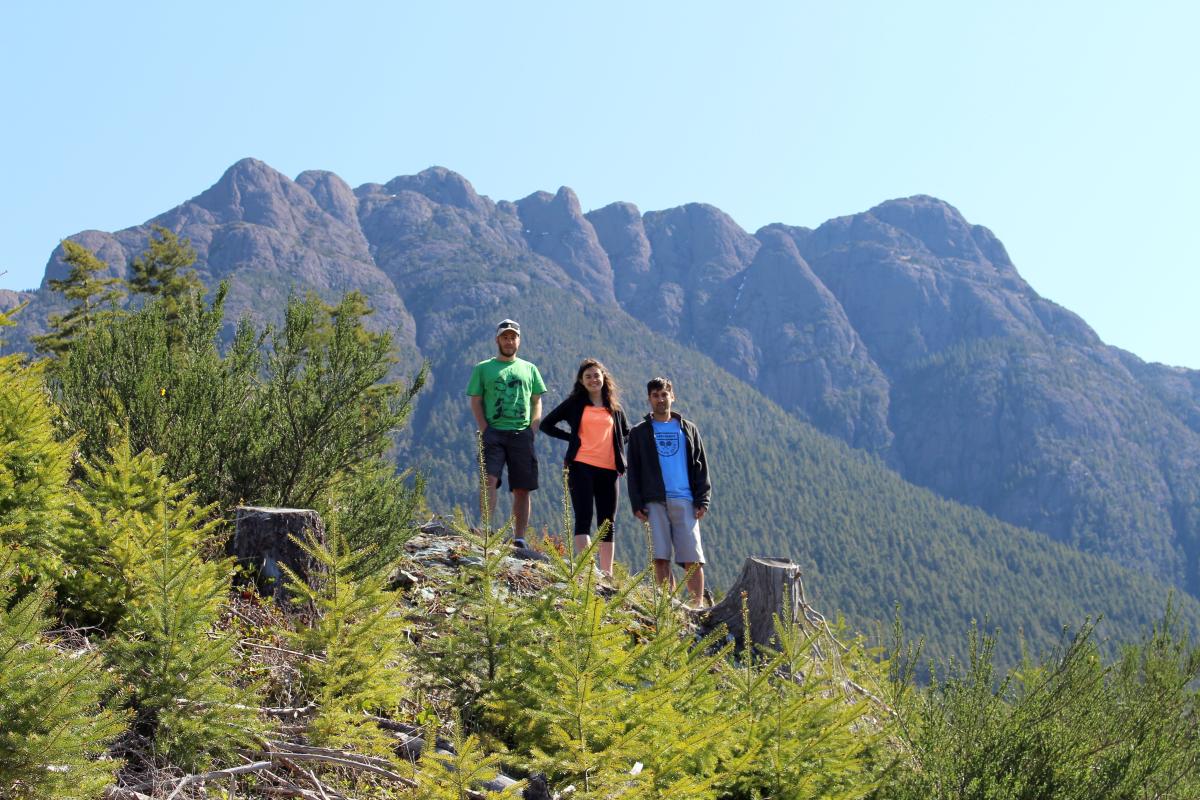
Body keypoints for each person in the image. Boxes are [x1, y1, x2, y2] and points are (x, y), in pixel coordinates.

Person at [540, 358, 631, 575]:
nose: (593, 379)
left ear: (603, 377)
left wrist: (616, 446)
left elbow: (625, 433)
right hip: (581, 466)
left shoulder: (615, 409)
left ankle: (606, 574)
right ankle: (589, 572)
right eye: (588, 376)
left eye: (596, 375)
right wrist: (572, 438)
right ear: (581, 381)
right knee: (583, 517)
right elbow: (546, 425)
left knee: (607, 522)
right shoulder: (574, 403)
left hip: (609, 470)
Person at [626, 376, 711, 605]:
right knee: (660, 557)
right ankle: (667, 606)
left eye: (664, 394)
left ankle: (697, 606)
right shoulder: (639, 432)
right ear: (649, 399)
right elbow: (633, 471)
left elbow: (700, 464)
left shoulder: (688, 429)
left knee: (693, 558)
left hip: (685, 500)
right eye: (655, 395)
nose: (660, 399)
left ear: (672, 397)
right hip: (654, 501)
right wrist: (636, 503)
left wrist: (703, 498)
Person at [466, 319, 546, 547]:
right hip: (494, 433)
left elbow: (537, 400)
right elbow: (476, 401)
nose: (509, 341)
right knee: (489, 479)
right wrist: (485, 428)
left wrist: (533, 428)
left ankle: (519, 538)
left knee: (522, 488)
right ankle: (486, 530)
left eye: (513, 337)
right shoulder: (483, 368)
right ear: (497, 340)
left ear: (518, 340)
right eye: (505, 337)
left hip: (522, 434)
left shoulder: (530, 369)